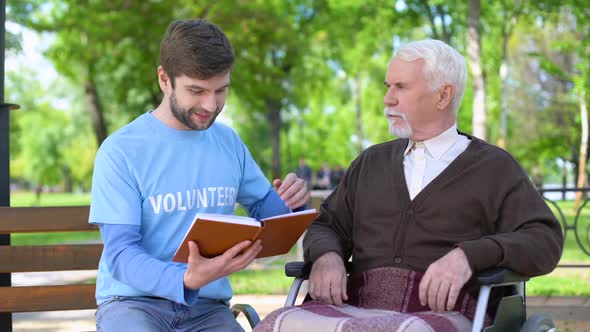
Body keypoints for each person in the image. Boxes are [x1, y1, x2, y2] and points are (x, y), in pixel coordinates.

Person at [297, 40, 563, 328]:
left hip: (447, 313)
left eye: (401, 87)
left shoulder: (493, 167)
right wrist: (327, 255)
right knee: (279, 321)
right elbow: (326, 225)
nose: (388, 98)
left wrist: (469, 256)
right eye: (388, 86)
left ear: (443, 96)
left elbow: (544, 239)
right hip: (358, 305)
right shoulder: (370, 163)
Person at [89, 19, 309, 332]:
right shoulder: (120, 151)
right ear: (165, 80)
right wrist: (185, 278)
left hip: (208, 310)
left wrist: (290, 204)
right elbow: (122, 255)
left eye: (221, 91)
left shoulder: (228, 142)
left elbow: (268, 218)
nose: (211, 105)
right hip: (134, 305)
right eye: (196, 90)